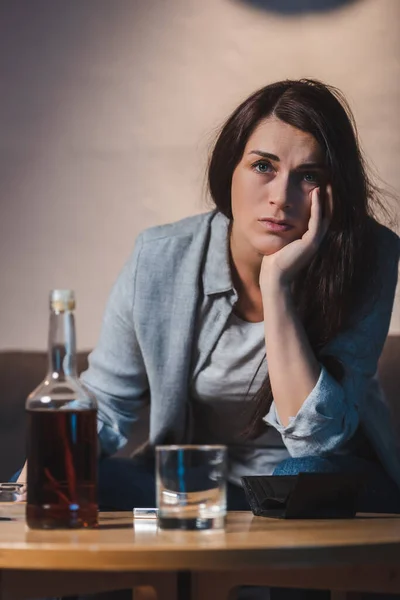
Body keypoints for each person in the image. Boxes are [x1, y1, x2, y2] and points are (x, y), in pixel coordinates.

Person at [16, 78, 400, 599]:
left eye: (308, 176)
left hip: (323, 486)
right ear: (231, 169)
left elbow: (320, 439)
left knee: (303, 471)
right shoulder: (160, 258)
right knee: (89, 484)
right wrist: (49, 467)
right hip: (193, 489)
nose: (280, 196)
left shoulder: (370, 259)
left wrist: (278, 287)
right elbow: (107, 403)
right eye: (263, 165)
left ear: (334, 192)